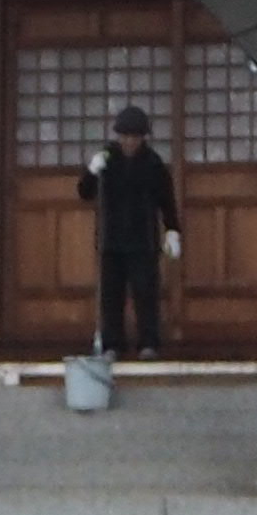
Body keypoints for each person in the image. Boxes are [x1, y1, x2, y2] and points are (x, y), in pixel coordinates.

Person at [75, 103, 180, 357]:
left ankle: (148, 343)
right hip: (111, 239)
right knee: (111, 295)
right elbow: (84, 192)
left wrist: (172, 230)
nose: (129, 142)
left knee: (146, 294)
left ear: (143, 138)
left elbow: (167, 200)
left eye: (134, 137)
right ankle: (112, 344)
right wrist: (91, 171)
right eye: (124, 136)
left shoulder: (153, 164)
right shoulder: (106, 159)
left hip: (143, 239)